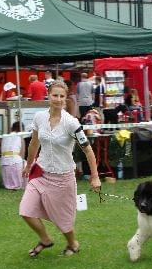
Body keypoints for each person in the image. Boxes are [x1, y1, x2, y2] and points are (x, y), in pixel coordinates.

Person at [19, 81, 101, 257]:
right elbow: (34, 143)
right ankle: (45, 239)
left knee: (63, 221)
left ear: (66, 98)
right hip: (40, 172)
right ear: (48, 95)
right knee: (25, 211)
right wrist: (28, 164)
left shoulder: (71, 123)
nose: (58, 99)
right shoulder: (39, 117)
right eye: (55, 95)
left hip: (63, 177)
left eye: (61, 96)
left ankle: (73, 243)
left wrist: (95, 176)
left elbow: (88, 150)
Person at [0, 121, 26, 190]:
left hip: (4, 164)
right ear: (22, 130)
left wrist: (3, 153)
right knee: (27, 163)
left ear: (12, 128)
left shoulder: (4, 137)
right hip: (16, 163)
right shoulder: (20, 138)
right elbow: (22, 155)